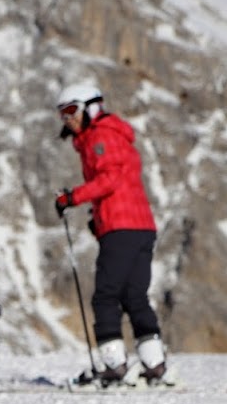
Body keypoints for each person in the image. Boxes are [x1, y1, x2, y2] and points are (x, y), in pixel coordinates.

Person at [53, 82, 167, 385]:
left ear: (91, 107)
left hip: (122, 227)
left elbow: (110, 178)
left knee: (106, 295)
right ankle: (154, 363)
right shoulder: (112, 135)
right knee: (134, 295)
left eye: (71, 110)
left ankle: (114, 366)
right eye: (61, 113)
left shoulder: (100, 136)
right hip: (140, 226)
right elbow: (120, 182)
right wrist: (96, 216)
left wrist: (71, 198)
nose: (67, 119)